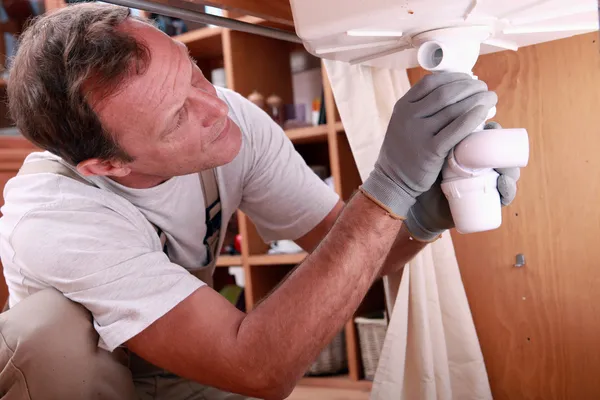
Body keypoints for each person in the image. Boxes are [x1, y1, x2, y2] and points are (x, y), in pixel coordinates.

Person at [0, 3, 519, 400]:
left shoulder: (229, 117)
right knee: (45, 330)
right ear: (109, 165)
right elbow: (256, 368)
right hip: (91, 380)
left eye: (194, 73)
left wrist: (421, 215)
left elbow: (347, 251)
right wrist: (387, 188)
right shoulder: (55, 217)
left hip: (184, 364)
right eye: (177, 116)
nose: (215, 108)